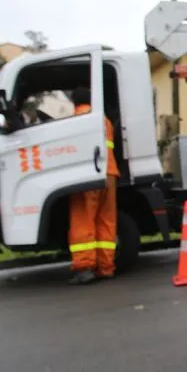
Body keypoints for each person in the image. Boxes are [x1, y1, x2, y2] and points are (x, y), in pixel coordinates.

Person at [67, 86, 120, 285]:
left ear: (74, 102)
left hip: (88, 175)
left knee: (83, 221)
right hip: (110, 174)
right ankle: (106, 268)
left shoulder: (76, 120)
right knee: (106, 221)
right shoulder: (103, 119)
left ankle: (84, 267)